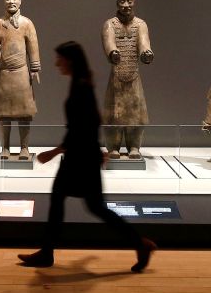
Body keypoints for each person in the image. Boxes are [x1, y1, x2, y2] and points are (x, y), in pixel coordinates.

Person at [18, 41, 157, 273]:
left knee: (88, 206)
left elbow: (82, 127)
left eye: (59, 59)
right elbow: (90, 123)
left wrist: (54, 152)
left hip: (80, 158)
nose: (56, 63)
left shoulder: (81, 86)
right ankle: (48, 251)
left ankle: (139, 244)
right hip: (83, 156)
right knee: (80, 204)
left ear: (70, 60)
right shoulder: (80, 83)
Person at [0, 0, 41, 160]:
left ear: (20, 1)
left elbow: (33, 46)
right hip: (5, 73)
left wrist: (34, 68)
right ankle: (5, 148)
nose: (11, 2)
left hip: (22, 73)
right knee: (4, 114)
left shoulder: (27, 23)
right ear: (4, 1)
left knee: (24, 113)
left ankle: (24, 148)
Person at [101, 0, 153, 160]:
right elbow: (108, 42)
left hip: (133, 76)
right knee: (114, 114)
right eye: (122, 2)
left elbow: (144, 42)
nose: (126, 5)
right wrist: (112, 52)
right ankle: (113, 147)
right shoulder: (110, 24)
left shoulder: (140, 24)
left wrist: (146, 53)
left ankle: (134, 147)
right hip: (116, 76)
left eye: (129, 2)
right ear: (117, 3)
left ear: (134, 2)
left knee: (135, 113)